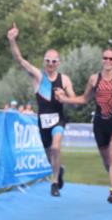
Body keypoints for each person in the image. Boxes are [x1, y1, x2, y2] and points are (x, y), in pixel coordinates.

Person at [56, 47, 112, 204]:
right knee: (107, 160)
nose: (108, 61)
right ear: (101, 60)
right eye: (105, 58)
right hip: (99, 122)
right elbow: (84, 99)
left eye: (111, 59)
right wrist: (65, 99)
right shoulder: (94, 79)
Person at [7, 23, 75, 197]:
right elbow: (20, 60)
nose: (50, 64)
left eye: (54, 61)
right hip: (43, 121)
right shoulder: (38, 76)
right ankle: (58, 171)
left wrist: (65, 98)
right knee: (48, 156)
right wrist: (12, 40)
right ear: (44, 61)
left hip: (58, 120)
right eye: (48, 61)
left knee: (56, 147)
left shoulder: (65, 80)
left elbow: (74, 102)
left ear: (58, 63)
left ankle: (54, 183)